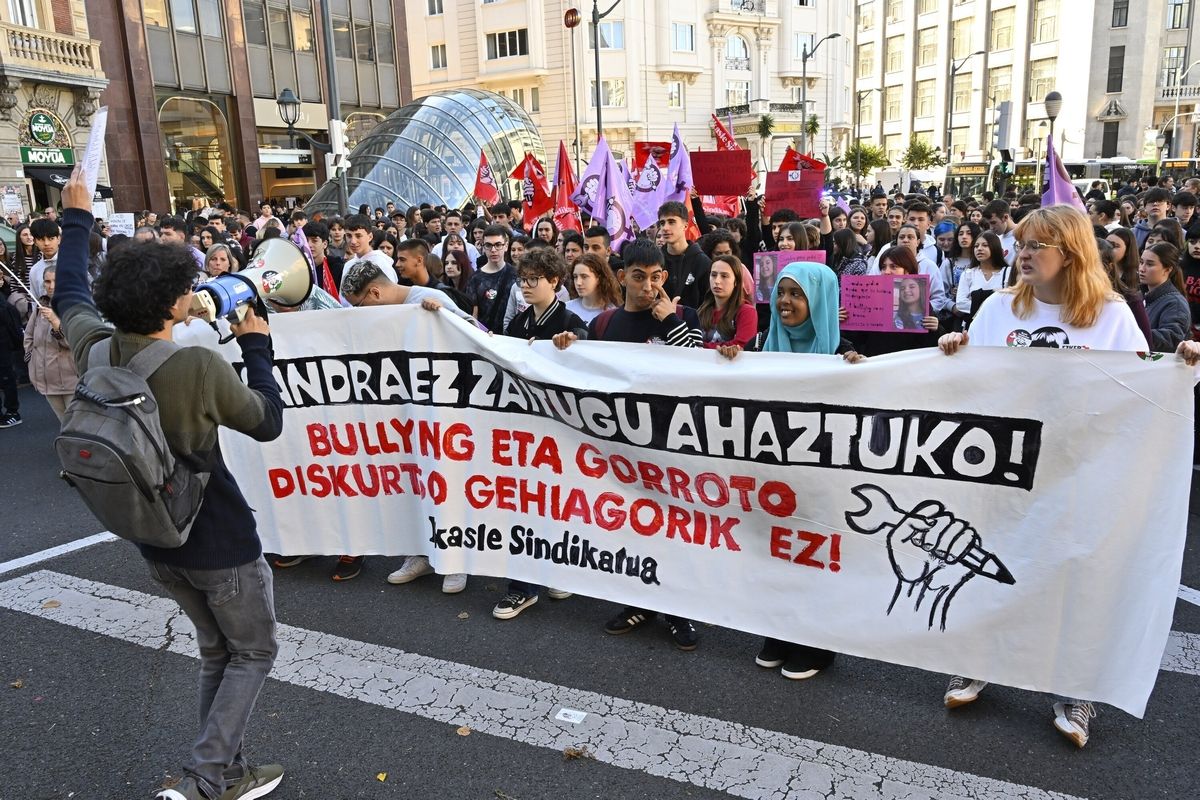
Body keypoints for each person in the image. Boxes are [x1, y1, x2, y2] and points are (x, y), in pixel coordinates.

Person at [51, 169, 286, 800]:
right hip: (218, 535)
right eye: (186, 290)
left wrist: (76, 220)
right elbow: (265, 421)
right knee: (252, 652)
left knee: (219, 650)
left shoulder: (95, 347)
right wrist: (258, 350)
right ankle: (206, 779)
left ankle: (229, 770)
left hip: (153, 537)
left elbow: (70, 289)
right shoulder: (197, 364)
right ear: (171, 305)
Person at [936, 205, 1187, 749]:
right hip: (1004, 466)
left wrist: (1180, 363)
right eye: (1021, 244)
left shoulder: (1112, 316)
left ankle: (1074, 687)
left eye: (1035, 246)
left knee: (1073, 573)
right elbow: (970, 383)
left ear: (1069, 255)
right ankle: (977, 661)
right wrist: (954, 352)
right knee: (991, 561)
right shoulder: (999, 310)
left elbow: (1141, 389)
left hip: (1081, 468)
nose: (1021, 254)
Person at [550, 239, 702, 650]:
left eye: (656, 278)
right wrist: (568, 345)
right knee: (632, 526)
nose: (648, 286)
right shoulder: (604, 324)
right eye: (638, 277)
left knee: (673, 529)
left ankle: (679, 612)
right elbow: (586, 372)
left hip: (671, 444)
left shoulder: (684, 316)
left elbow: (700, 368)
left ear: (665, 278)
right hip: (621, 446)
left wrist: (670, 320)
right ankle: (639, 601)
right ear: (622, 277)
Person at [718, 261, 861, 678]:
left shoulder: (843, 352)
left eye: (797, 294)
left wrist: (862, 374)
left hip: (821, 480)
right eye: (781, 292)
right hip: (774, 476)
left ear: (818, 300)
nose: (785, 302)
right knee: (775, 552)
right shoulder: (765, 348)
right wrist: (732, 361)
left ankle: (816, 644)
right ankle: (779, 630)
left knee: (814, 555)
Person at [491, 248, 586, 620]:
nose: (526, 287)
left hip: (557, 429)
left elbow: (585, 347)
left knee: (551, 503)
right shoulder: (518, 324)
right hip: (522, 428)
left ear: (555, 282)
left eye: (534, 279)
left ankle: (546, 573)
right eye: (522, 279)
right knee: (525, 505)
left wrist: (573, 340)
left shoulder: (569, 320)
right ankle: (524, 586)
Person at [21, 265, 76, 421]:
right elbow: (29, 335)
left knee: (76, 424)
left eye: (55, 281)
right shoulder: (41, 305)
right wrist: (32, 358)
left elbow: (73, 342)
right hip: (47, 379)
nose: (51, 286)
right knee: (63, 421)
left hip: (70, 379)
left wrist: (55, 322)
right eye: (47, 281)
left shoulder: (73, 306)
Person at [658, 200, 711, 309]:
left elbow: (708, 305)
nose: (665, 228)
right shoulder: (655, 260)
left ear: (685, 226)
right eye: (662, 223)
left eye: (671, 222)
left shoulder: (702, 262)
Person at [465, 224, 517, 332]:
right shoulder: (475, 278)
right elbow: (473, 316)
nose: (493, 250)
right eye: (488, 245)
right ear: (483, 247)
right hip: (485, 338)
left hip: (512, 338)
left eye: (498, 245)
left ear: (506, 246)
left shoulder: (516, 275)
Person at [1139, 242, 1190, 352]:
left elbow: (1173, 338)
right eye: (1141, 262)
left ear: (1168, 269)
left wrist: (1133, 333)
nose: (1142, 269)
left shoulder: (1175, 303)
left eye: (1150, 264)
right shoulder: (1142, 295)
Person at [698, 254, 756, 349]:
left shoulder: (747, 311)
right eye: (713, 275)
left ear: (736, 281)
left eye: (724, 276)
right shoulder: (702, 310)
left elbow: (741, 345)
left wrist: (700, 347)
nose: (717, 281)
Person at [954, 231, 1009, 323]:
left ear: (995, 247)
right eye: (976, 246)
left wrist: (976, 302)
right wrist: (989, 306)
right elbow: (961, 303)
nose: (979, 249)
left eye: (985, 245)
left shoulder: (1007, 272)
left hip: (1000, 322)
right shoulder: (968, 274)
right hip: (974, 323)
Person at [566, 252, 622, 323]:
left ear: (599, 278)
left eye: (584, 276)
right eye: (575, 277)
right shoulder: (567, 308)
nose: (578, 282)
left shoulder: (613, 314)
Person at [27, 217, 61, 299]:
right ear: (35, 242)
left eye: (51, 238)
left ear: (58, 239)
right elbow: (35, 301)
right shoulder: (35, 270)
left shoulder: (73, 263)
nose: (46, 243)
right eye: (41, 239)